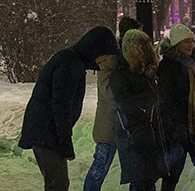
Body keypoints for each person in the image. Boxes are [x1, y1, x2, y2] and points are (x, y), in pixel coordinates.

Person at [18, 25, 121, 191]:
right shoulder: (71, 64)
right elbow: (61, 105)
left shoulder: (70, 59)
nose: (105, 60)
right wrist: (65, 143)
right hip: (46, 132)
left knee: (57, 184)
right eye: (106, 54)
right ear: (96, 50)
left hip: (44, 130)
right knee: (58, 185)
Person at [157, 23, 195, 190]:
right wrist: (176, 126)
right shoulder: (168, 66)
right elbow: (166, 99)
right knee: (172, 173)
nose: (190, 45)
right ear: (176, 44)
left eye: (191, 41)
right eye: (186, 42)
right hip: (178, 128)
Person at [109, 29, 169, 191]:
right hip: (134, 133)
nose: (142, 51)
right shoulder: (122, 74)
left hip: (149, 133)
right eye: (138, 47)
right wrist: (147, 100)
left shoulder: (146, 73)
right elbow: (123, 104)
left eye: (144, 46)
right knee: (140, 179)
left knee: (149, 178)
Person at [85, 34, 121, 191]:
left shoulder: (109, 66)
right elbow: (111, 93)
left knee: (100, 167)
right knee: (99, 167)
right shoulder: (108, 66)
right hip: (108, 127)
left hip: (109, 126)